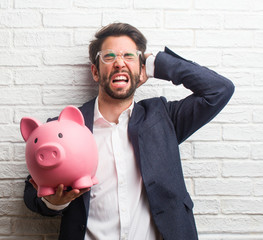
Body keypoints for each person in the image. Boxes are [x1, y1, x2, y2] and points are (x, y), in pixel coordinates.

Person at [23, 22, 234, 240]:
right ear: (95, 72)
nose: (119, 63)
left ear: (140, 69)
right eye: (109, 56)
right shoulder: (64, 128)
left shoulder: (163, 118)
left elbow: (219, 90)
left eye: (129, 56)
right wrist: (55, 203)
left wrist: (155, 63)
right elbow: (31, 192)